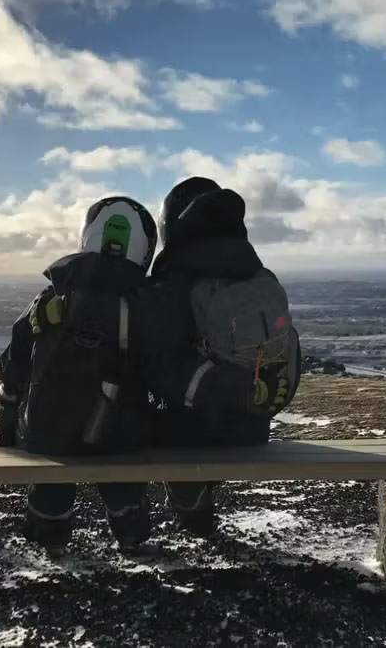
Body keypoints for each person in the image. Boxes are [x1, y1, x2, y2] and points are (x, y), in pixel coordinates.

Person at [0, 196, 160, 556]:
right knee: (124, 482)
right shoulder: (147, 303)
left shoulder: (53, 295)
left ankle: (49, 537)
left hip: (48, 432)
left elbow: (14, 362)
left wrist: (6, 426)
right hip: (121, 436)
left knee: (50, 481)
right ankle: (131, 536)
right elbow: (162, 369)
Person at [148, 177, 302, 537]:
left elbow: (163, 367)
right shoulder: (256, 276)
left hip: (189, 436)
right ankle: (196, 504)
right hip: (252, 429)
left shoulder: (175, 284)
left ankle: (190, 511)